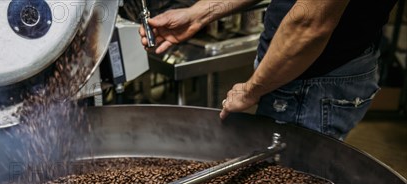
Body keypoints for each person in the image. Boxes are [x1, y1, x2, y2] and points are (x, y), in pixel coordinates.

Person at [139, 0, 398, 140]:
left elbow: (309, 23)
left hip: (312, 84)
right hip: (293, 73)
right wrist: (200, 13)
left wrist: (254, 88)